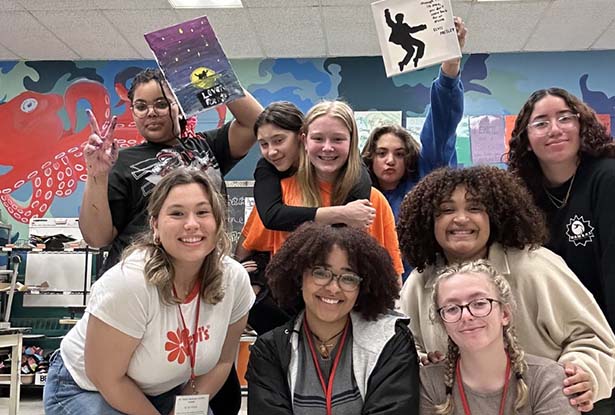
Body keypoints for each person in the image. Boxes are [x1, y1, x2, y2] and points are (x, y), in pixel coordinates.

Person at [397, 165, 615, 413]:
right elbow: (406, 347)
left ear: (495, 215)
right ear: (428, 220)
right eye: (446, 210)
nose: (460, 218)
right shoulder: (419, 282)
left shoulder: (536, 267)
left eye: (475, 208)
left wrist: (582, 372)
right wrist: (422, 361)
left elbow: (595, 338)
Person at [44, 168, 255, 415]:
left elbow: (222, 362)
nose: (191, 224)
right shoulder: (129, 283)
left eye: (202, 212)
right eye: (177, 213)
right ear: (155, 225)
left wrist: (182, 410)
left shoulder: (234, 280)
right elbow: (107, 378)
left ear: (218, 222)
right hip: (86, 387)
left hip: (163, 390)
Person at [79, 67, 263, 273]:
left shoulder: (206, 145)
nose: (151, 112)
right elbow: (97, 238)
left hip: (202, 275)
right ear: (133, 112)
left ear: (179, 107)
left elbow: (257, 122)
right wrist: (96, 174)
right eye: (141, 106)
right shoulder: (119, 161)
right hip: (141, 279)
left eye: (161, 103)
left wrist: (210, 74)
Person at [246, 222, 419, 414]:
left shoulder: (391, 342)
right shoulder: (271, 350)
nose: (333, 288)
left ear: (363, 287)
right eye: (321, 273)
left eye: (349, 278)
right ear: (298, 276)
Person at [241, 100, 404, 283]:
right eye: (318, 139)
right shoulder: (281, 192)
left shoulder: (373, 200)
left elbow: (393, 276)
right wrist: (251, 280)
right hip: (292, 308)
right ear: (304, 140)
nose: (327, 147)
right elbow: (249, 247)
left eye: (338, 139)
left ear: (352, 142)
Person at [507, 88, 615, 335]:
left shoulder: (607, 178)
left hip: (603, 331)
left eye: (565, 118)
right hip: (556, 333)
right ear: (527, 139)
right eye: (541, 123)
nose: (555, 129)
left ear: (582, 125)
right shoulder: (520, 193)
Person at [421, 260, 578, 415]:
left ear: (504, 314)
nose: (466, 316)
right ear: (443, 323)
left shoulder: (547, 379)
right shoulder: (429, 382)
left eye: (479, 303)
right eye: (452, 308)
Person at [362, 17, 466, 219]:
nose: (390, 161)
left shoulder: (426, 180)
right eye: (382, 153)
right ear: (370, 158)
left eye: (399, 154)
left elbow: (441, 126)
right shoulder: (356, 193)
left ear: (409, 158)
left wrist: (450, 65)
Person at [251, 101, 374, 232]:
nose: (272, 151)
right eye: (264, 144)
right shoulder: (267, 167)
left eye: (279, 140)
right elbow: (271, 216)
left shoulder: (357, 173)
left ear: (301, 136)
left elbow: (360, 187)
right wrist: (341, 213)